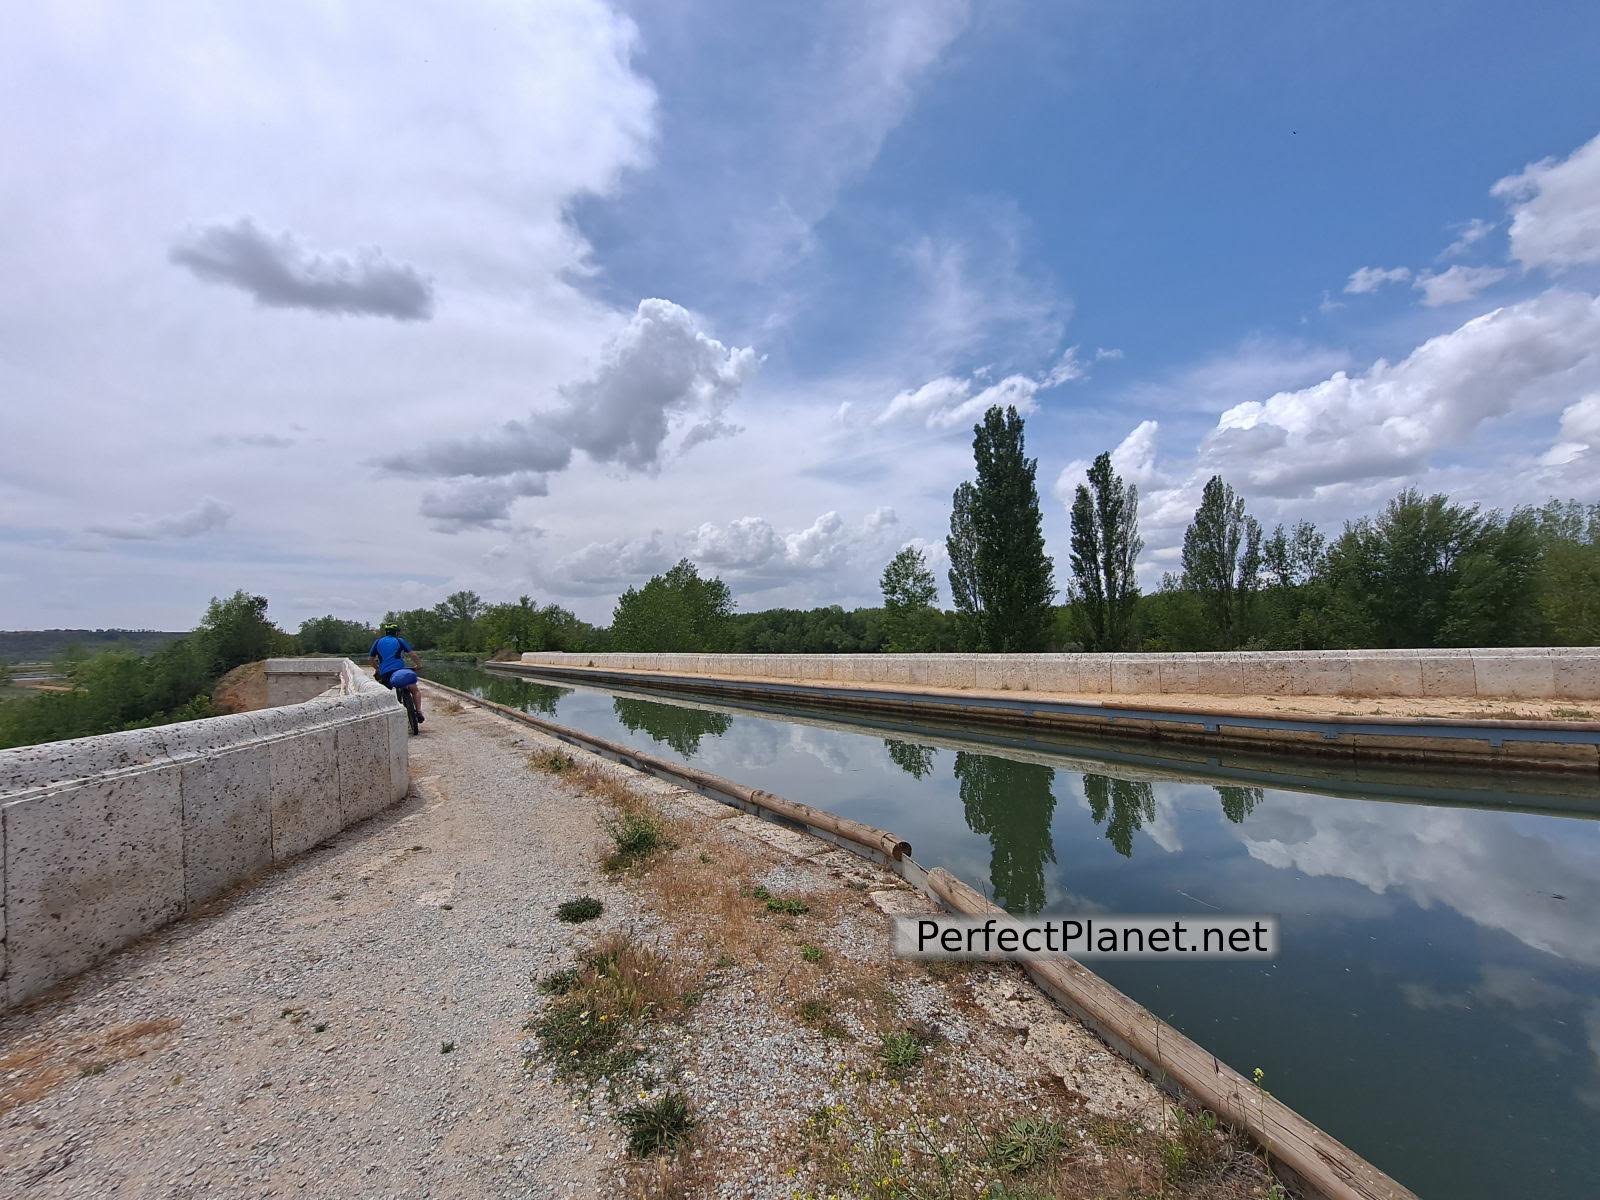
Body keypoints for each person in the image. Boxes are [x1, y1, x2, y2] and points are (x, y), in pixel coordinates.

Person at [369, 623, 424, 722]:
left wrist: (377, 669)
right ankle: (419, 712)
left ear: (386, 632)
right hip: (400, 670)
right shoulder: (399, 641)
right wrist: (418, 665)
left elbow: (371, 659)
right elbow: (413, 655)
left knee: (385, 694)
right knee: (414, 689)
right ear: (397, 632)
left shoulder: (378, 642)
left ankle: (387, 716)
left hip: (385, 673)